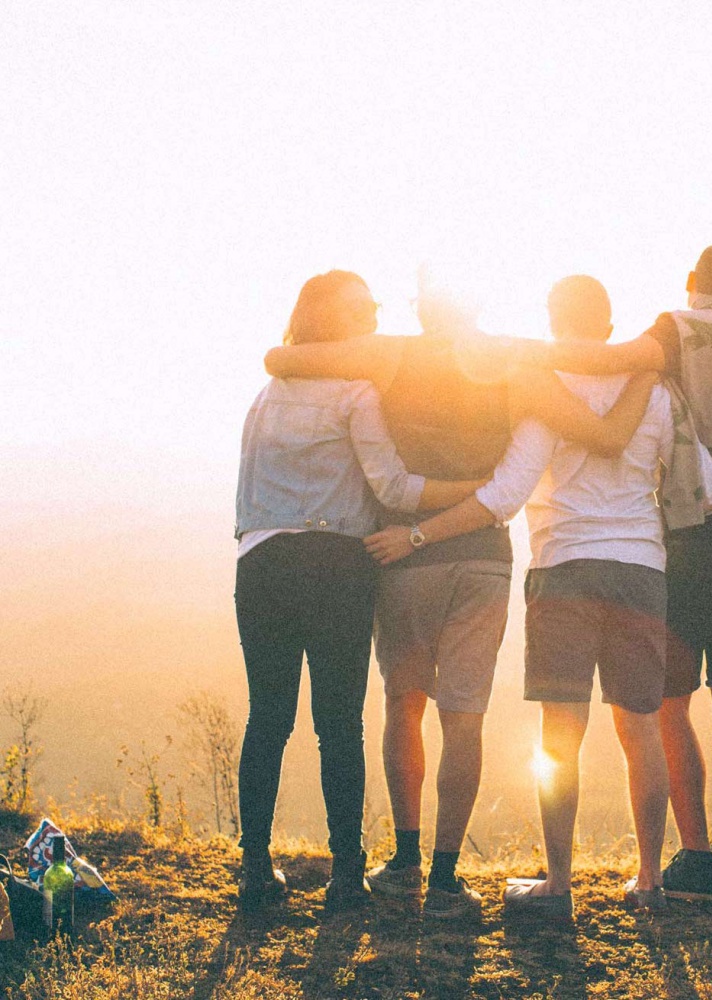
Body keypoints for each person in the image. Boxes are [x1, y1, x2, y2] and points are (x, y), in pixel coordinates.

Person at [363, 274, 712, 918]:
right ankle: (650, 881)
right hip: (642, 575)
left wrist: (417, 534)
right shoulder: (656, 393)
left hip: (564, 571)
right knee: (642, 732)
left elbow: (504, 496)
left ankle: (559, 885)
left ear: (553, 320)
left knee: (560, 736)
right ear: (608, 326)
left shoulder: (545, 390)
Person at [263, 272, 656, 919]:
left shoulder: (390, 353)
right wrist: (648, 363)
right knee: (464, 717)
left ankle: (405, 859)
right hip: (483, 559)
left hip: (405, 557)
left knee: (404, 704)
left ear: (421, 308)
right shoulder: (510, 359)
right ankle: (446, 878)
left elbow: (285, 359)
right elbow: (595, 402)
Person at [514, 242, 712, 901]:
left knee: (664, 703)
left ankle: (693, 858)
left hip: (695, 533)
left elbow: (612, 361)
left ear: (692, 281)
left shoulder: (680, 328)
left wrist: (516, 356)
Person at [233, 270, 487, 914]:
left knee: (268, 718)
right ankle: (347, 874)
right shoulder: (356, 391)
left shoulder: (266, 396)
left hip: (260, 563)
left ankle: (256, 869)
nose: (375, 317)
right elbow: (395, 490)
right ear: (341, 323)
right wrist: (474, 492)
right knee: (338, 723)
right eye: (365, 309)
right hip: (336, 565)